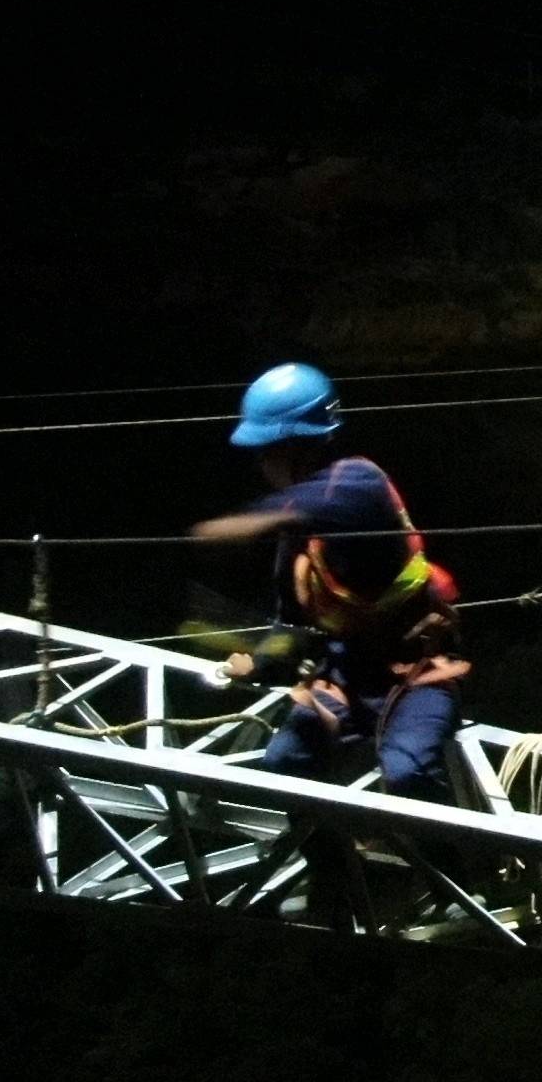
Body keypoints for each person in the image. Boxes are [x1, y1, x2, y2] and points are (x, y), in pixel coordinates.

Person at [188, 362, 467, 930]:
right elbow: (293, 628)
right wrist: (258, 662)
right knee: (285, 760)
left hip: (419, 672)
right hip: (349, 673)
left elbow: (303, 505)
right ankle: (334, 871)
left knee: (408, 769)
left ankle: (455, 879)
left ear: (297, 446)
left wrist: (223, 527)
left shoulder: (357, 484)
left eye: (268, 450)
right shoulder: (299, 543)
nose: (262, 465)